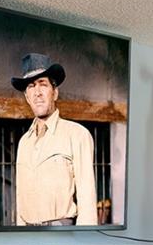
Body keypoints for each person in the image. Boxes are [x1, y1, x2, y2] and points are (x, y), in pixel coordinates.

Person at [10, 52, 98, 226]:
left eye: (43, 84)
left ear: (55, 93)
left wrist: (85, 242)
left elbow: (87, 198)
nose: (37, 93)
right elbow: (20, 199)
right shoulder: (24, 142)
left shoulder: (77, 135)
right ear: (27, 97)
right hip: (29, 236)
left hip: (63, 233)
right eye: (31, 86)